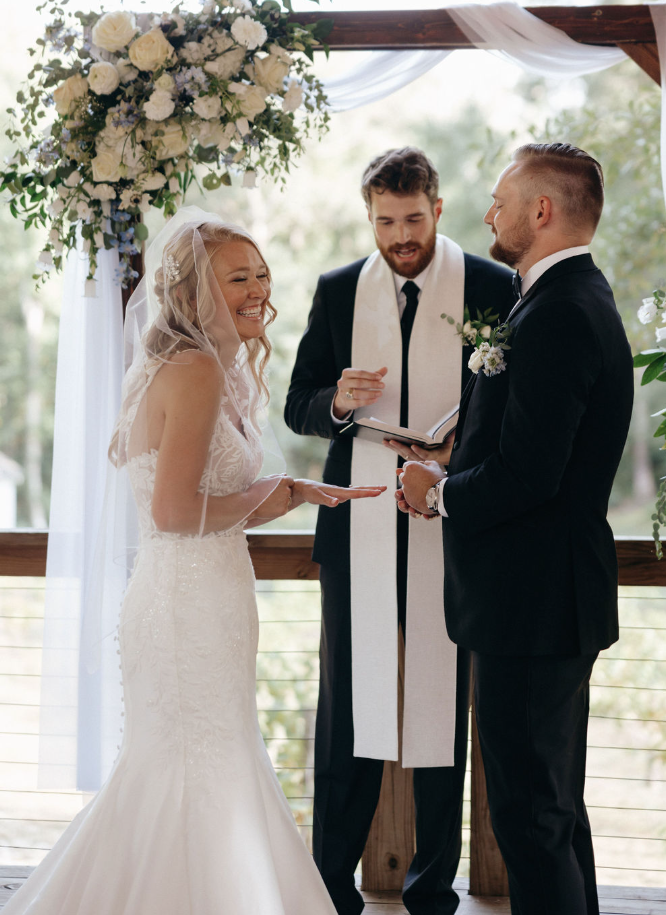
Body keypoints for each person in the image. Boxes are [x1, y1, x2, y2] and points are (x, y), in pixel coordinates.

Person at [3, 207, 386, 915]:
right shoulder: (196, 369)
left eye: (261, 274)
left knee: (199, 764)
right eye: (237, 276)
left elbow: (201, 496)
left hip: (199, 591)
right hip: (188, 604)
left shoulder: (197, 366)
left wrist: (286, 493)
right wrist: (277, 492)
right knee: (195, 769)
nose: (258, 289)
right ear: (191, 290)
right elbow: (175, 513)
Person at [399, 143, 634, 915]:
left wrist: (438, 493)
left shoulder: (559, 312)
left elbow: (532, 478)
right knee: (552, 814)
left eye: (502, 199)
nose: (489, 212)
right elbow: (534, 449)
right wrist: (461, 447)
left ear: (543, 210)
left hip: (531, 605)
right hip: (544, 600)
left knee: (531, 820)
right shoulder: (565, 298)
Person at [285, 147, 514, 915]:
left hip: (454, 517)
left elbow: (509, 401)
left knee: (445, 705)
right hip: (360, 518)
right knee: (347, 705)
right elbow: (298, 404)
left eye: (413, 219)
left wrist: (457, 453)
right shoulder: (337, 289)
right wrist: (339, 404)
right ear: (370, 217)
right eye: (385, 222)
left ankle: (431, 889)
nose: (400, 236)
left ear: (438, 209)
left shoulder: (492, 284)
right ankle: (329, 887)